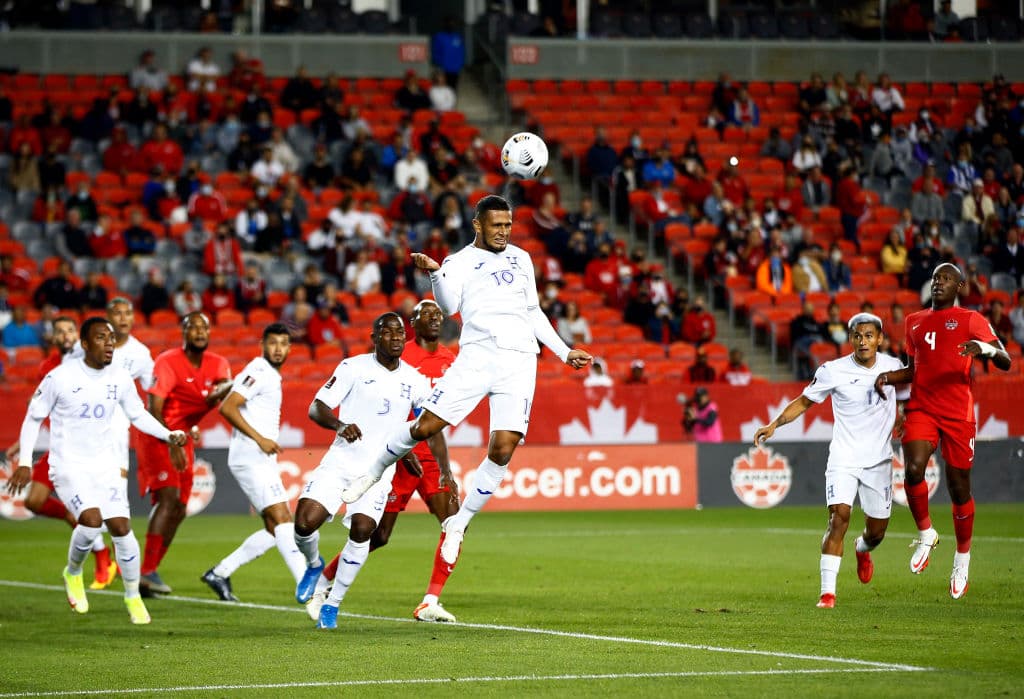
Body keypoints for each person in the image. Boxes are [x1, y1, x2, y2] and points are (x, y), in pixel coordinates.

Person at [335, 196, 592, 567]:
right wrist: (435, 274)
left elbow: (532, 311)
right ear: (477, 225)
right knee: (425, 426)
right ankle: (373, 471)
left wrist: (564, 351)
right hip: (476, 359)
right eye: (496, 225)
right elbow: (448, 303)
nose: (503, 231)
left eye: (507, 225)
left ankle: (459, 523)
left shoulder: (522, 258)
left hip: (519, 361)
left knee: (503, 448)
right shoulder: (459, 262)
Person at [12, 317, 187, 624]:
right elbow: (32, 418)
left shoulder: (119, 377)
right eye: (101, 338)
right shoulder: (60, 377)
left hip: (105, 464)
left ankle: (132, 595)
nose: (109, 344)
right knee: (91, 522)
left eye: (110, 338)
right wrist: (25, 463)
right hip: (68, 465)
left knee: (121, 527)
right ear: (84, 344)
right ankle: (73, 572)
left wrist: (167, 434)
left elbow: (137, 414)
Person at [310, 301, 463, 623]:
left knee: (454, 523)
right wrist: (402, 450)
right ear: (413, 323)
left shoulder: (451, 360)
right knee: (376, 535)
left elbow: (434, 418)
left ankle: (430, 600)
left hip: (429, 456)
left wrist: (446, 469)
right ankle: (324, 579)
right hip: (394, 455)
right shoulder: (397, 355)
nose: (436, 320)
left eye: (439, 315)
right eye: (428, 315)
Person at [871, 264, 1012, 599]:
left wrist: (986, 350)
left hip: (958, 413)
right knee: (914, 468)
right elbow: (913, 370)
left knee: (958, 487)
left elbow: (1005, 359)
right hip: (922, 408)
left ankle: (962, 558)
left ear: (959, 286)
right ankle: (926, 533)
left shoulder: (971, 320)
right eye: (936, 278)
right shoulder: (914, 322)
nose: (939, 283)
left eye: (946, 278)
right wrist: (888, 377)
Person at [291, 313, 435, 628]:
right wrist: (340, 425)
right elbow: (317, 407)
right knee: (303, 524)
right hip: (341, 462)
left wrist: (407, 449)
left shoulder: (415, 380)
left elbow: (425, 422)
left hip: (377, 471)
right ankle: (315, 565)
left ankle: (332, 605)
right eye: (388, 332)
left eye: (400, 332)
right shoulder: (352, 368)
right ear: (374, 337)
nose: (396, 337)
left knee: (363, 531)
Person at [755, 313, 906, 609]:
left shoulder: (895, 367)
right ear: (850, 339)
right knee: (838, 518)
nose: (863, 341)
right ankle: (827, 594)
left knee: (876, 533)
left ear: (879, 339)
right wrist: (774, 424)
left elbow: (908, 397)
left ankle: (862, 549)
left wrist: (904, 415)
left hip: (878, 461)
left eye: (868, 336)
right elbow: (804, 401)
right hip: (843, 457)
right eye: (857, 336)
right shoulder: (832, 371)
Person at [4, 316, 117, 589]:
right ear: (53, 338)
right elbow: (41, 406)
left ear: (79, 338)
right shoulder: (49, 367)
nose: (65, 335)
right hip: (59, 448)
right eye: (59, 332)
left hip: (90, 450)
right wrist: (23, 445)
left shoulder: (88, 361)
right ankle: (98, 548)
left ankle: (105, 557)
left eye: (69, 330)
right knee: (34, 502)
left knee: (95, 512)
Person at [201, 324, 307, 603]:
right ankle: (309, 587)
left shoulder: (263, 372)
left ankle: (220, 572)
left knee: (276, 529)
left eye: (284, 344)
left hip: (259, 457)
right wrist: (260, 439)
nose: (278, 349)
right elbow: (228, 407)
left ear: (289, 348)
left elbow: (230, 393)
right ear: (263, 343)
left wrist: (226, 386)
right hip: (252, 456)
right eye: (273, 343)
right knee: (283, 521)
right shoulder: (260, 370)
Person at [135, 312, 233, 597]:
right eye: (194, 328)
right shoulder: (167, 361)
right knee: (168, 498)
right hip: (157, 434)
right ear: (184, 333)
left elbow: (218, 394)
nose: (200, 332)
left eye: (205, 328)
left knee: (179, 507)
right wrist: (170, 439)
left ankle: (150, 570)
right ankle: (144, 573)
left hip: (184, 437)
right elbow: (155, 408)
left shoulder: (219, 364)